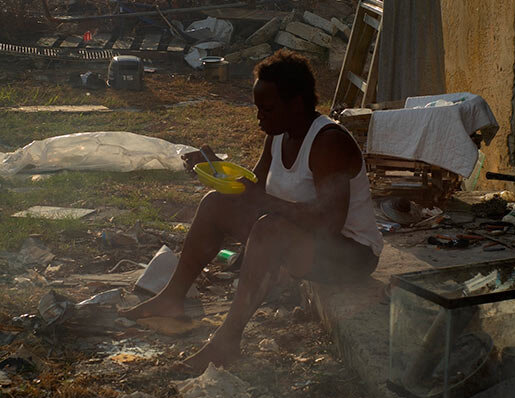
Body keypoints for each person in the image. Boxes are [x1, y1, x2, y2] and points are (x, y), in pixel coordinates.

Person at [123, 50, 382, 369]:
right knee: (216, 205)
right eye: (258, 108)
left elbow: (329, 224)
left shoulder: (328, 144)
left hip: (350, 255)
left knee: (269, 229)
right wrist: (217, 170)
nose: (259, 117)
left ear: (297, 103)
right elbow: (255, 187)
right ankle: (173, 296)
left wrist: (263, 204)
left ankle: (228, 339)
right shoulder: (279, 135)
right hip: (307, 243)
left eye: (268, 109)